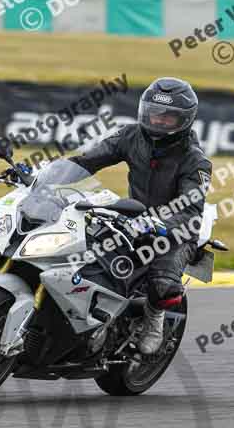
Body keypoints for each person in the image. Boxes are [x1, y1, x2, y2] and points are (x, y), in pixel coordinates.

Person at [69, 77, 212, 354]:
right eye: (154, 114)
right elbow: (88, 161)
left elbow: (190, 210)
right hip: (131, 218)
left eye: (168, 119)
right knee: (86, 253)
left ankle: (153, 319)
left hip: (175, 232)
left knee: (161, 283)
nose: (158, 122)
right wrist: (45, 175)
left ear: (184, 121)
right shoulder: (131, 136)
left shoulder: (195, 160)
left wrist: (159, 224)